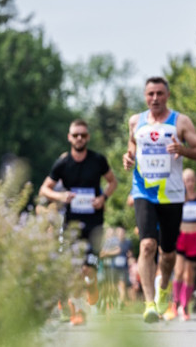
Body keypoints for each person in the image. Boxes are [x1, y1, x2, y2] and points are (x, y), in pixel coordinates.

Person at [122, 76, 196, 323]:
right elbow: (131, 146)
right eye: (150, 94)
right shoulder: (135, 122)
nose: (155, 98)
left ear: (167, 95)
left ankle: (163, 288)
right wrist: (128, 157)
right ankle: (149, 303)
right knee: (147, 245)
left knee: (168, 253)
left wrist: (183, 150)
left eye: (160, 93)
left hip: (171, 195)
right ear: (145, 96)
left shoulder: (180, 121)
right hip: (144, 191)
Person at [39, 119, 118, 325]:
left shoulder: (98, 160)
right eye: (76, 135)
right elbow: (44, 189)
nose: (79, 138)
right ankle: (78, 313)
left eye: (83, 135)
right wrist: (60, 196)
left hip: (94, 225)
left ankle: (92, 288)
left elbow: (113, 182)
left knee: (88, 270)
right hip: (71, 224)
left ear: (88, 137)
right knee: (75, 270)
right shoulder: (63, 164)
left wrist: (103, 198)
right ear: (69, 137)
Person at [163, 168, 196, 321]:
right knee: (178, 272)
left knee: (189, 274)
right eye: (186, 180)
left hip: (195, 237)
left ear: (195, 181)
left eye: (191, 180)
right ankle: (174, 304)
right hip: (181, 236)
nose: (188, 183)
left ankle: (185, 306)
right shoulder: (178, 197)